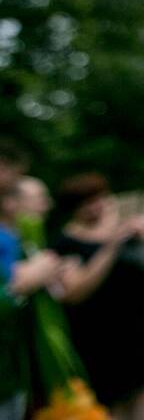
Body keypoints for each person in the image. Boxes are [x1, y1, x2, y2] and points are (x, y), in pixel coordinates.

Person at [52, 173, 144, 420]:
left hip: (141, 325)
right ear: (75, 208)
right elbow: (74, 292)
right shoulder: (65, 243)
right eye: (89, 202)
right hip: (103, 338)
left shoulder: (121, 227)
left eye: (102, 198)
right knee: (115, 404)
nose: (99, 206)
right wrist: (111, 245)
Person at [1, 165, 63, 420]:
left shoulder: (21, 238)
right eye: (39, 198)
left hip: (16, 368)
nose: (47, 205)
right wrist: (18, 286)